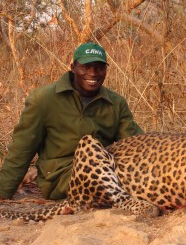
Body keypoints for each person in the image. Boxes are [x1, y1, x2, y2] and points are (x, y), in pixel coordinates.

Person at [0, 42, 143, 200]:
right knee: (90, 147)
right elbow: (21, 151)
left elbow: (136, 143)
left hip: (103, 170)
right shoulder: (43, 99)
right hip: (58, 177)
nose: (93, 73)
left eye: (99, 67)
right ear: (73, 67)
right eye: (86, 67)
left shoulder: (116, 103)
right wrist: (3, 194)